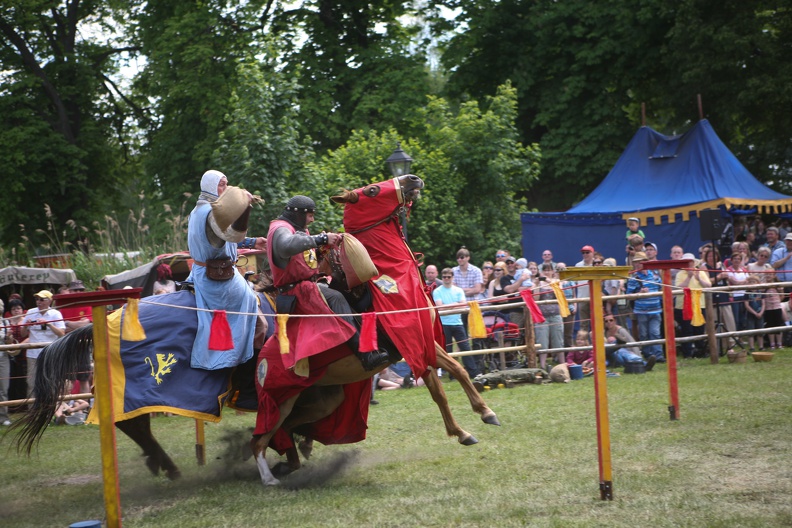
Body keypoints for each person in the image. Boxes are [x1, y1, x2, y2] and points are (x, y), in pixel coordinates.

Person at [268, 195, 389, 371]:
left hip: (308, 287)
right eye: (309, 215)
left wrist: (322, 249)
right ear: (297, 213)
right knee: (337, 298)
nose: (312, 219)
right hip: (297, 293)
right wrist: (322, 239)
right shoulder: (279, 228)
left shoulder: (299, 229)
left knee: (348, 294)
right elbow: (286, 246)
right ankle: (365, 355)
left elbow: (303, 261)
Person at [186, 169, 268, 371]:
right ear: (210, 186)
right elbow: (232, 235)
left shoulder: (197, 210)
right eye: (221, 184)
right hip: (218, 280)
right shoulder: (212, 212)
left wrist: (254, 241)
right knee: (259, 318)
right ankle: (246, 367)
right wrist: (246, 208)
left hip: (199, 274)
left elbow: (220, 240)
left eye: (226, 183)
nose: (225, 187)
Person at [433, 268, 478, 378]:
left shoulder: (458, 290)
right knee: (447, 350)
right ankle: (452, 374)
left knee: (465, 347)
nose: (446, 279)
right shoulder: (437, 291)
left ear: (452, 277)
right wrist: (455, 304)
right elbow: (439, 307)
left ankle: (473, 373)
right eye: (444, 277)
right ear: (442, 278)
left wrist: (449, 305)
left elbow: (463, 305)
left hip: (458, 323)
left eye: (448, 277)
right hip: (444, 324)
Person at [21, 290, 66, 397]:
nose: (38, 302)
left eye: (42, 299)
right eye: (37, 299)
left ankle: (51, 409)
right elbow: (23, 334)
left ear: (49, 301)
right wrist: (26, 325)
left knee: (51, 381)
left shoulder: (56, 313)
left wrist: (48, 324)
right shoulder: (30, 312)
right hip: (32, 354)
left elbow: (61, 333)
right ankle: (33, 410)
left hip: (50, 353)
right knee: (31, 383)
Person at [625, 252, 664, 361]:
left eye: (640, 262)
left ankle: (659, 355)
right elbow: (628, 296)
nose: (638, 265)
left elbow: (661, 289)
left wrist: (662, 303)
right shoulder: (634, 278)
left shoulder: (655, 275)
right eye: (636, 263)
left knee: (655, 333)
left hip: (656, 309)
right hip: (641, 311)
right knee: (644, 334)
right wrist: (639, 292)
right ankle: (648, 355)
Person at [674, 254, 711, 358]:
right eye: (686, 262)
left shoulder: (701, 272)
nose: (689, 263)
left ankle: (700, 351)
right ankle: (688, 353)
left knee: (699, 329)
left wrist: (699, 279)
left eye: (690, 261)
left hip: (699, 305)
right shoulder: (680, 274)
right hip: (683, 307)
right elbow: (677, 288)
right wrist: (689, 277)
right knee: (687, 330)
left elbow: (709, 285)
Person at [534, 263, 564, 370]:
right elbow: (536, 299)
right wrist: (537, 285)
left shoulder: (556, 282)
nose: (547, 272)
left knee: (558, 341)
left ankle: (562, 364)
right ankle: (542, 366)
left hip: (556, 314)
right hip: (542, 317)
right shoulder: (537, 283)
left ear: (552, 271)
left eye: (549, 270)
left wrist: (547, 281)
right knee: (542, 342)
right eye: (544, 270)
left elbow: (559, 293)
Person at [555, 262, 577, 347]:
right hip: (558, 309)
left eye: (562, 268)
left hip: (570, 308)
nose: (561, 271)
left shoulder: (571, 281)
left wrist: (575, 306)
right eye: (559, 269)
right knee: (558, 333)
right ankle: (558, 353)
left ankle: (569, 352)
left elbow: (574, 295)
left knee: (568, 332)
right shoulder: (554, 282)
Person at [726, 252, 749, 331]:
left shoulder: (743, 269)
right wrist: (743, 282)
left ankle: (741, 335)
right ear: (731, 260)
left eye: (738, 259)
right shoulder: (728, 270)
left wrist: (740, 283)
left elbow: (748, 280)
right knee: (736, 317)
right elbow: (734, 281)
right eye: (735, 259)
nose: (737, 260)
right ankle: (736, 335)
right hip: (734, 296)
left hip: (744, 295)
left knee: (743, 317)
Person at [575, 245, 596, 332]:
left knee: (596, 322)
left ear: (592, 253)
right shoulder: (578, 265)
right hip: (582, 298)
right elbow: (575, 283)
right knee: (583, 324)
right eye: (583, 253)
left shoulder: (597, 264)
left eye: (587, 252)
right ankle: (585, 343)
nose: (585, 254)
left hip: (595, 298)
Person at [743, 276, 765, 352]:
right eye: (750, 282)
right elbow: (746, 305)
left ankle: (761, 346)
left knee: (760, 331)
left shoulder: (760, 293)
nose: (752, 283)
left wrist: (761, 312)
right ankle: (751, 347)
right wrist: (755, 313)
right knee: (751, 331)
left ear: (758, 283)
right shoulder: (747, 293)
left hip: (760, 313)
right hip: (750, 314)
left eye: (754, 282)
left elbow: (763, 304)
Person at [764, 273, 784, 350]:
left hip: (777, 307)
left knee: (778, 324)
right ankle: (772, 344)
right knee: (770, 325)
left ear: (774, 275)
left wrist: (777, 302)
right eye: (767, 274)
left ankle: (779, 343)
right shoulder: (763, 286)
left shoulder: (778, 285)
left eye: (770, 274)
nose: (768, 276)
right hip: (768, 308)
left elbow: (782, 295)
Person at [0, 300, 12, 425]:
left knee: (3, 388)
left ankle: (3, 417)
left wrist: (9, 337)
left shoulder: (5, 321)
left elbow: (9, 343)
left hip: (3, 357)